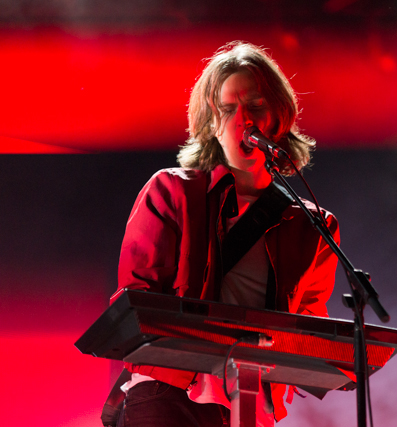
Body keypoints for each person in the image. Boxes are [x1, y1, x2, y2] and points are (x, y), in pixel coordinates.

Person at [108, 41, 340, 427]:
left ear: (280, 117)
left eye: (256, 105)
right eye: (228, 109)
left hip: (251, 402)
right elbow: (136, 299)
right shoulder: (172, 192)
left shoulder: (314, 226)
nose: (244, 120)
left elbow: (308, 329)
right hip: (170, 391)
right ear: (211, 125)